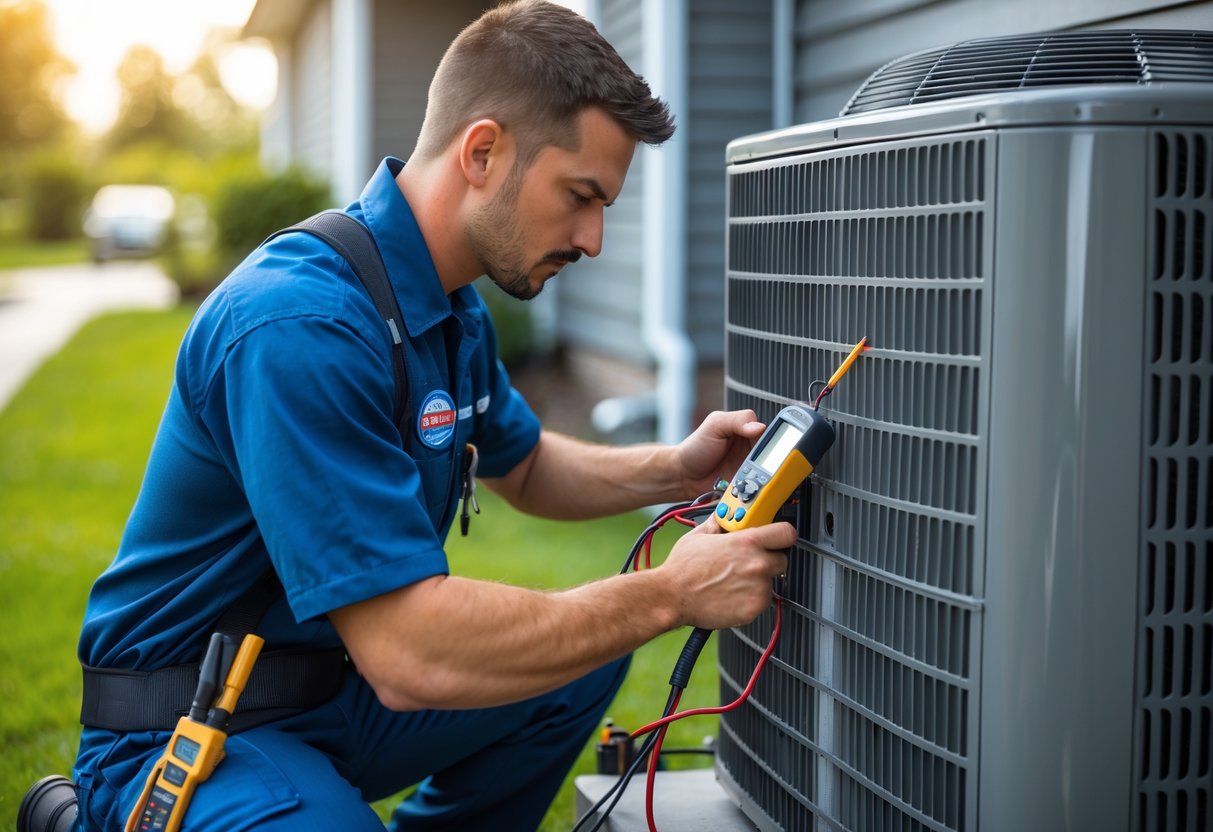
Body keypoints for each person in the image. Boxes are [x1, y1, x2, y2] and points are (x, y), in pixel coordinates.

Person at [70, 2, 794, 830]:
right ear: (482, 151)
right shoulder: (300, 325)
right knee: (595, 626)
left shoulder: (443, 304)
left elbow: (521, 465)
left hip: (330, 695)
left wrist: (674, 468)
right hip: (194, 724)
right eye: (580, 196)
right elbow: (409, 655)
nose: (593, 238)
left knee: (578, 661)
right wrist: (668, 594)